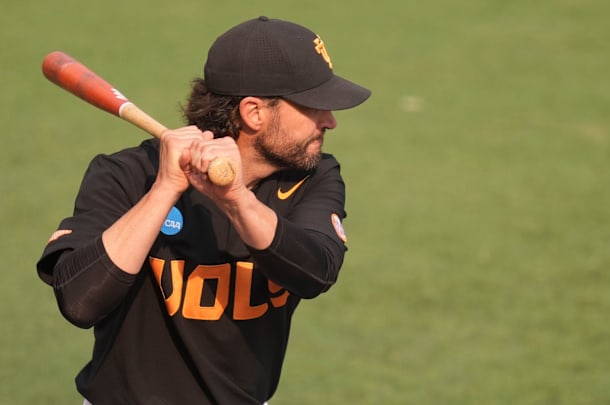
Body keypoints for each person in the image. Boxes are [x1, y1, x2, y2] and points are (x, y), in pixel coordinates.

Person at [36, 16, 370, 405]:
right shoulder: (127, 176)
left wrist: (235, 200)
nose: (330, 121)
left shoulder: (312, 176)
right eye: (314, 106)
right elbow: (80, 301)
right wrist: (164, 189)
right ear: (254, 113)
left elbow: (314, 272)